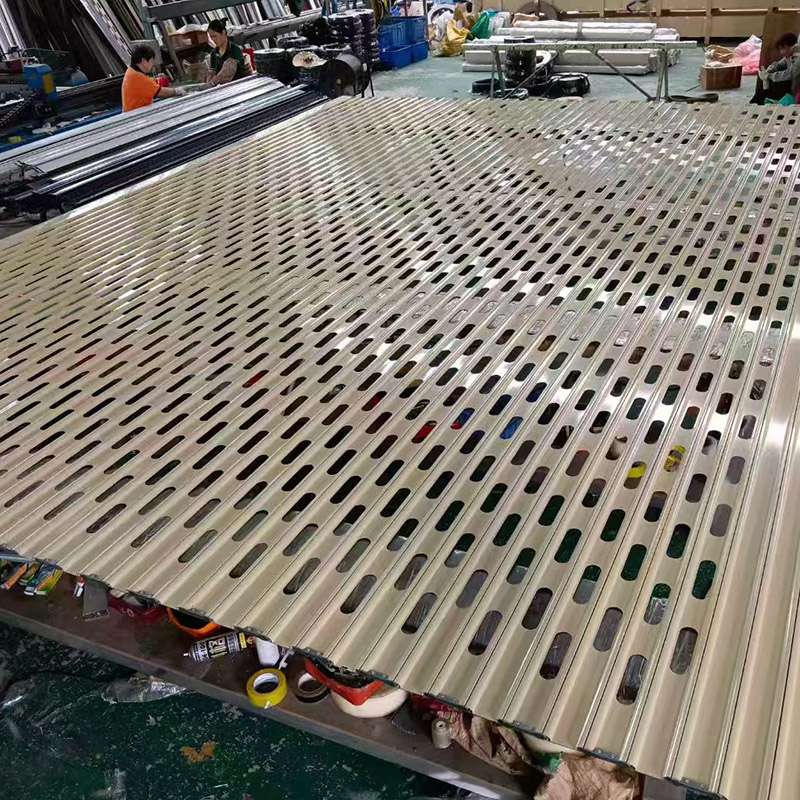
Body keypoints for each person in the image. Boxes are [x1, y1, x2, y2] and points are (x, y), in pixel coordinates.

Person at [122, 44, 184, 112]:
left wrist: (155, 80)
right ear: (143, 61)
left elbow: (145, 85)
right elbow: (160, 92)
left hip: (134, 113)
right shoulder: (137, 77)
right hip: (136, 115)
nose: (153, 65)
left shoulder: (131, 72)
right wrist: (176, 91)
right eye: (151, 61)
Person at [753, 32, 800, 104]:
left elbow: (790, 74)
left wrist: (770, 76)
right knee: (763, 81)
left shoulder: (798, 58)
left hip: (796, 88)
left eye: (783, 48)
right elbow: (778, 64)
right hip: (792, 84)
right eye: (780, 49)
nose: (781, 52)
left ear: (792, 47)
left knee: (774, 83)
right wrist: (770, 69)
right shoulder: (789, 56)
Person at [206, 18, 253, 86]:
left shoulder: (235, 49)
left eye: (215, 36)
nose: (213, 40)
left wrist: (211, 84)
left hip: (241, 85)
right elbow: (212, 72)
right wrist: (207, 84)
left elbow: (226, 74)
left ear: (223, 33)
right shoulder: (214, 53)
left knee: (229, 62)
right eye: (211, 37)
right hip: (224, 86)